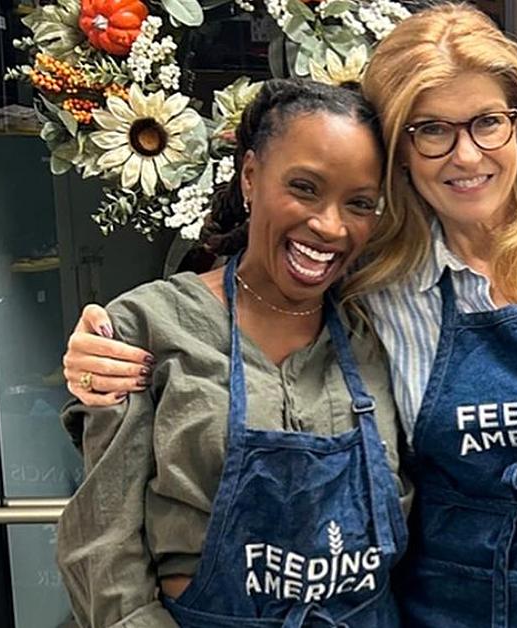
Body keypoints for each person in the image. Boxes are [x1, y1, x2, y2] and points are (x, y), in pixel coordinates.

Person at [63, 5, 517, 627]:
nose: (466, 155)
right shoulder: (380, 291)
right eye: (431, 129)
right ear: (399, 150)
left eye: (487, 121)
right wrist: (97, 357)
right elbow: (253, 321)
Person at [55, 78, 410, 628]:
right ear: (250, 178)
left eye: (360, 203)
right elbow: (103, 548)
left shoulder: (379, 330)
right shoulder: (148, 327)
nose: (330, 225)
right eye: (305, 187)